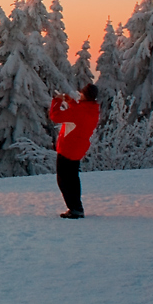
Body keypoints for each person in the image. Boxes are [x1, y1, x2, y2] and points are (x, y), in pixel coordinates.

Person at [49, 84, 100, 219]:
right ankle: (77, 206)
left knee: (64, 180)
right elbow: (79, 113)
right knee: (73, 178)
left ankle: (74, 208)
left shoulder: (80, 111)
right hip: (78, 149)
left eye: (82, 94)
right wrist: (71, 102)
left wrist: (57, 100)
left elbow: (55, 115)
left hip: (68, 148)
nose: (80, 95)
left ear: (85, 95)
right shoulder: (92, 110)